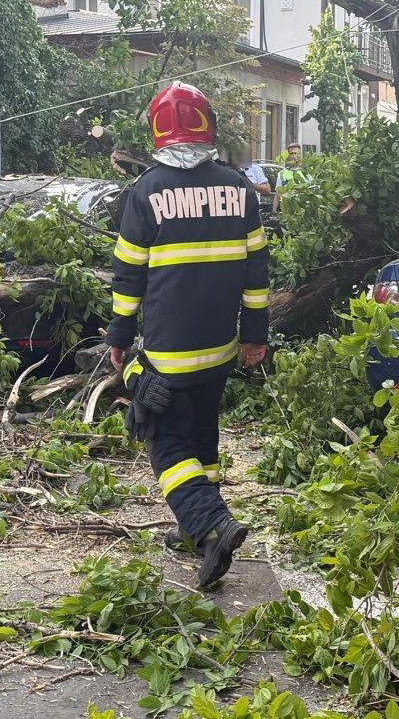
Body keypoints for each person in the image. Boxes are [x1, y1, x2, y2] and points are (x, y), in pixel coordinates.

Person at [108, 81, 269, 589]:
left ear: (157, 133)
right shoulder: (239, 188)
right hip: (220, 346)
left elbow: (129, 275)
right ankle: (194, 533)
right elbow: (256, 273)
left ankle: (212, 523)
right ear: (208, 126)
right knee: (202, 434)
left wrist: (119, 334)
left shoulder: (147, 193)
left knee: (167, 445)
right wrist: (255, 336)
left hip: (168, 352)